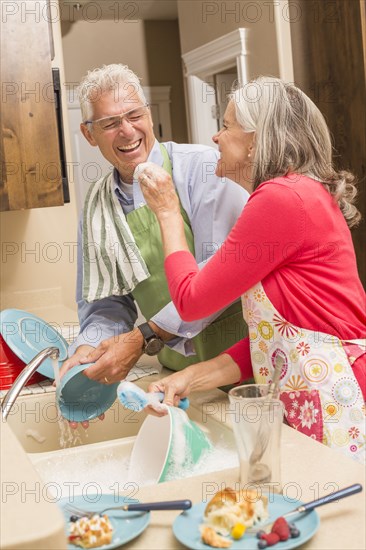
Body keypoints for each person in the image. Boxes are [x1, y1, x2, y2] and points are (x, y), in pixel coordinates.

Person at [139, 76, 366, 462]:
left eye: (226, 126)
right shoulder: (297, 193)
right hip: (319, 390)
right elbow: (275, 342)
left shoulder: (280, 198)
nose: (216, 137)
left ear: (256, 141)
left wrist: (167, 212)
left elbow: (191, 301)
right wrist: (188, 378)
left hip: (340, 395)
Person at [60, 63, 249, 386]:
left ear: (148, 115)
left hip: (241, 362)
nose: (128, 131)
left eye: (134, 116)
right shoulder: (98, 207)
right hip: (175, 373)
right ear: (89, 134)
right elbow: (107, 305)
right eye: (110, 123)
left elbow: (222, 275)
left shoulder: (203, 169)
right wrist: (89, 356)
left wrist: (142, 336)